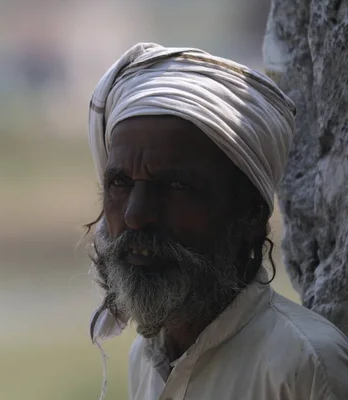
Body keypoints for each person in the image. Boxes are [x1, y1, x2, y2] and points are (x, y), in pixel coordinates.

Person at [86, 43, 348, 400]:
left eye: (176, 186)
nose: (136, 214)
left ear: (251, 215)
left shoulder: (304, 367)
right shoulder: (147, 359)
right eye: (121, 183)